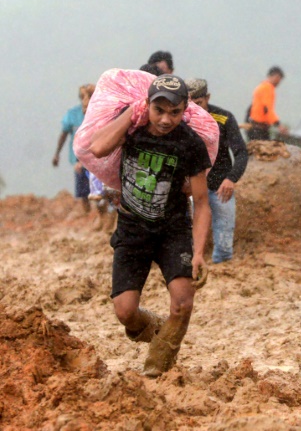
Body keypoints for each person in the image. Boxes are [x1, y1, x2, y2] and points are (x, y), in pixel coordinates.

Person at [87, 74, 211, 377]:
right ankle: (156, 329)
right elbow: (99, 147)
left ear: (184, 110)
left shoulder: (190, 143)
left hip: (173, 230)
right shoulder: (132, 128)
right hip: (132, 229)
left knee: (183, 302)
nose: (166, 119)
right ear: (148, 105)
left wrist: (197, 253)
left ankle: (159, 365)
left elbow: (202, 203)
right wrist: (133, 113)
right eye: (159, 110)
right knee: (125, 312)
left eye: (175, 112)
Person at [187, 78, 248, 264]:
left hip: (219, 185)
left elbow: (241, 152)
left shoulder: (224, 118)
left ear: (207, 97)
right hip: (189, 187)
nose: (195, 108)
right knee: (184, 231)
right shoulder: (181, 119)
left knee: (224, 231)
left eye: (199, 103)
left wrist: (231, 178)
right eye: (191, 104)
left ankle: (222, 265)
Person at [53, 84, 96, 214]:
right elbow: (64, 134)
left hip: (96, 157)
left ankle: (101, 216)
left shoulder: (99, 113)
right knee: (83, 191)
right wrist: (57, 153)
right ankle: (88, 216)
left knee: (100, 190)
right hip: (79, 159)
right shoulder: (73, 114)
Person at [248, 66, 288, 141]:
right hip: (259, 129)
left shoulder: (261, 86)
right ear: (276, 76)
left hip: (255, 127)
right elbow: (267, 109)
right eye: (279, 79)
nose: (279, 82)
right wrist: (279, 125)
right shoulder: (267, 88)